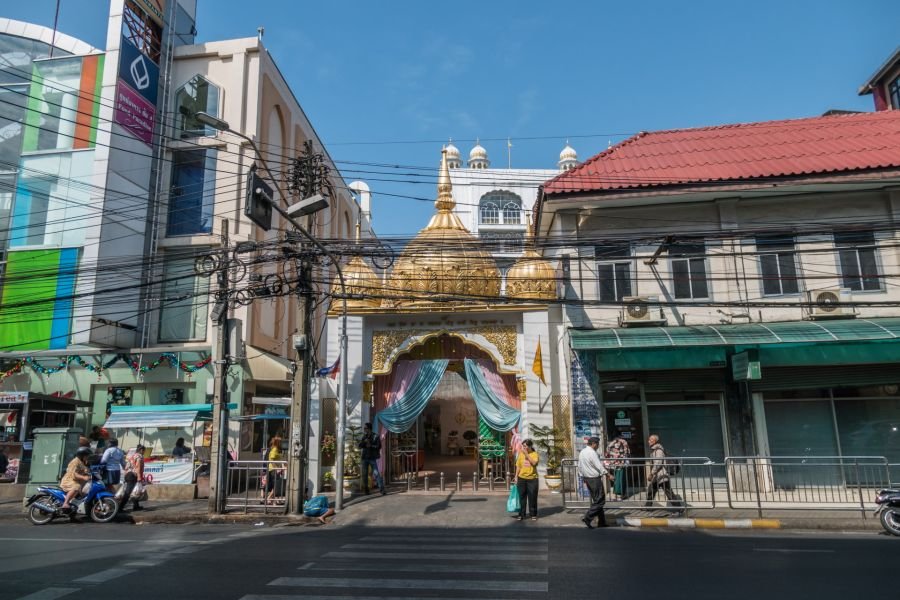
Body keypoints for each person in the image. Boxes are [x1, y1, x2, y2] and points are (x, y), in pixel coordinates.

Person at [578, 436, 613, 528]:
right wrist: (608, 474)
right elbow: (599, 466)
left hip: (588, 478)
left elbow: (580, 466)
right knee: (600, 501)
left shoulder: (582, 452)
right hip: (594, 479)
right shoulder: (592, 453)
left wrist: (583, 477)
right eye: (597, 444)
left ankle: (601, 522)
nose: (598, 446)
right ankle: (588, 517)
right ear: (593, 444)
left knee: (597, 500)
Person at [645, 434, 676, 506]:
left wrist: (651, 473)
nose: (648, 441)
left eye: (650, 440)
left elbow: (658, 463)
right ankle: (648, 506)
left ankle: (679, 509)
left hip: (662, 475)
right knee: (651, 490)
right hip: (657, 476)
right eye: (649, 440)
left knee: (669, 493)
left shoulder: (658, 451)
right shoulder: (654, 450)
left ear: (655, 441)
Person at [514, 439, 539, 521]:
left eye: (525, 446)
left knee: (532, 497)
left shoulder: (534, 454)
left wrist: (527, 455)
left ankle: (533, 514)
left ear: (530, 446)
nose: (523, 448)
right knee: (522, 497)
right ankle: (521, 514)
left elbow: (534, 463)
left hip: (532, 479)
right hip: (522, 478)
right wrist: (516, 476)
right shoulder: (521, 454)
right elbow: (518, 466)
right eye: (523, 446)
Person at [358, 423, 385, 495]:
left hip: (372, 458)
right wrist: (364, 442)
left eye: (365, 428)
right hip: (364, 458)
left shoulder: (376, 436)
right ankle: (366, 490)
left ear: (369, 429)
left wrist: (371, 445)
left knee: (376, 474)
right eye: (364, 428)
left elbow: (379, 446)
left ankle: (382, 489)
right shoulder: (364, 437)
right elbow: (360, 446)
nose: (364, 430)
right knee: (364, 475)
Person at [605, 430, 631, 500]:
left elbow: (607, 452)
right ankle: (619, 495)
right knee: (621, 479)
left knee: (617, 478)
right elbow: (627, 452)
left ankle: (618, 494)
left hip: (614, 463)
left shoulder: (611, 443)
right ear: (620, 435)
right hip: (621, 462)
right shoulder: (623, 442)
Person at [125, 444, 147, 510]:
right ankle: (120, 507)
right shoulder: (139, 456)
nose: (144, 452)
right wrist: (139, 478)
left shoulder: (133, 455)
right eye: (144, 451)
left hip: (128, 474)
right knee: (128, 492)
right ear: (141, 450)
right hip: (133, 475)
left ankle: (136, 506)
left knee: (135, 491)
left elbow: (127, 466)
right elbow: (138, 467)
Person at [264, 436, 284, 505]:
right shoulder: (274, 449)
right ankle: (269, 498)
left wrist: (281, 468)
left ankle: (273, 500)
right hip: (273, 470)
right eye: (281, 442)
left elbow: (278, 460)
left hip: (275, 469)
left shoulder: (276, 449)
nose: (282, 443)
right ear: (278, 442)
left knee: (276, 485)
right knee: (276, 485)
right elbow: (271, 460)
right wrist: (277, 468)